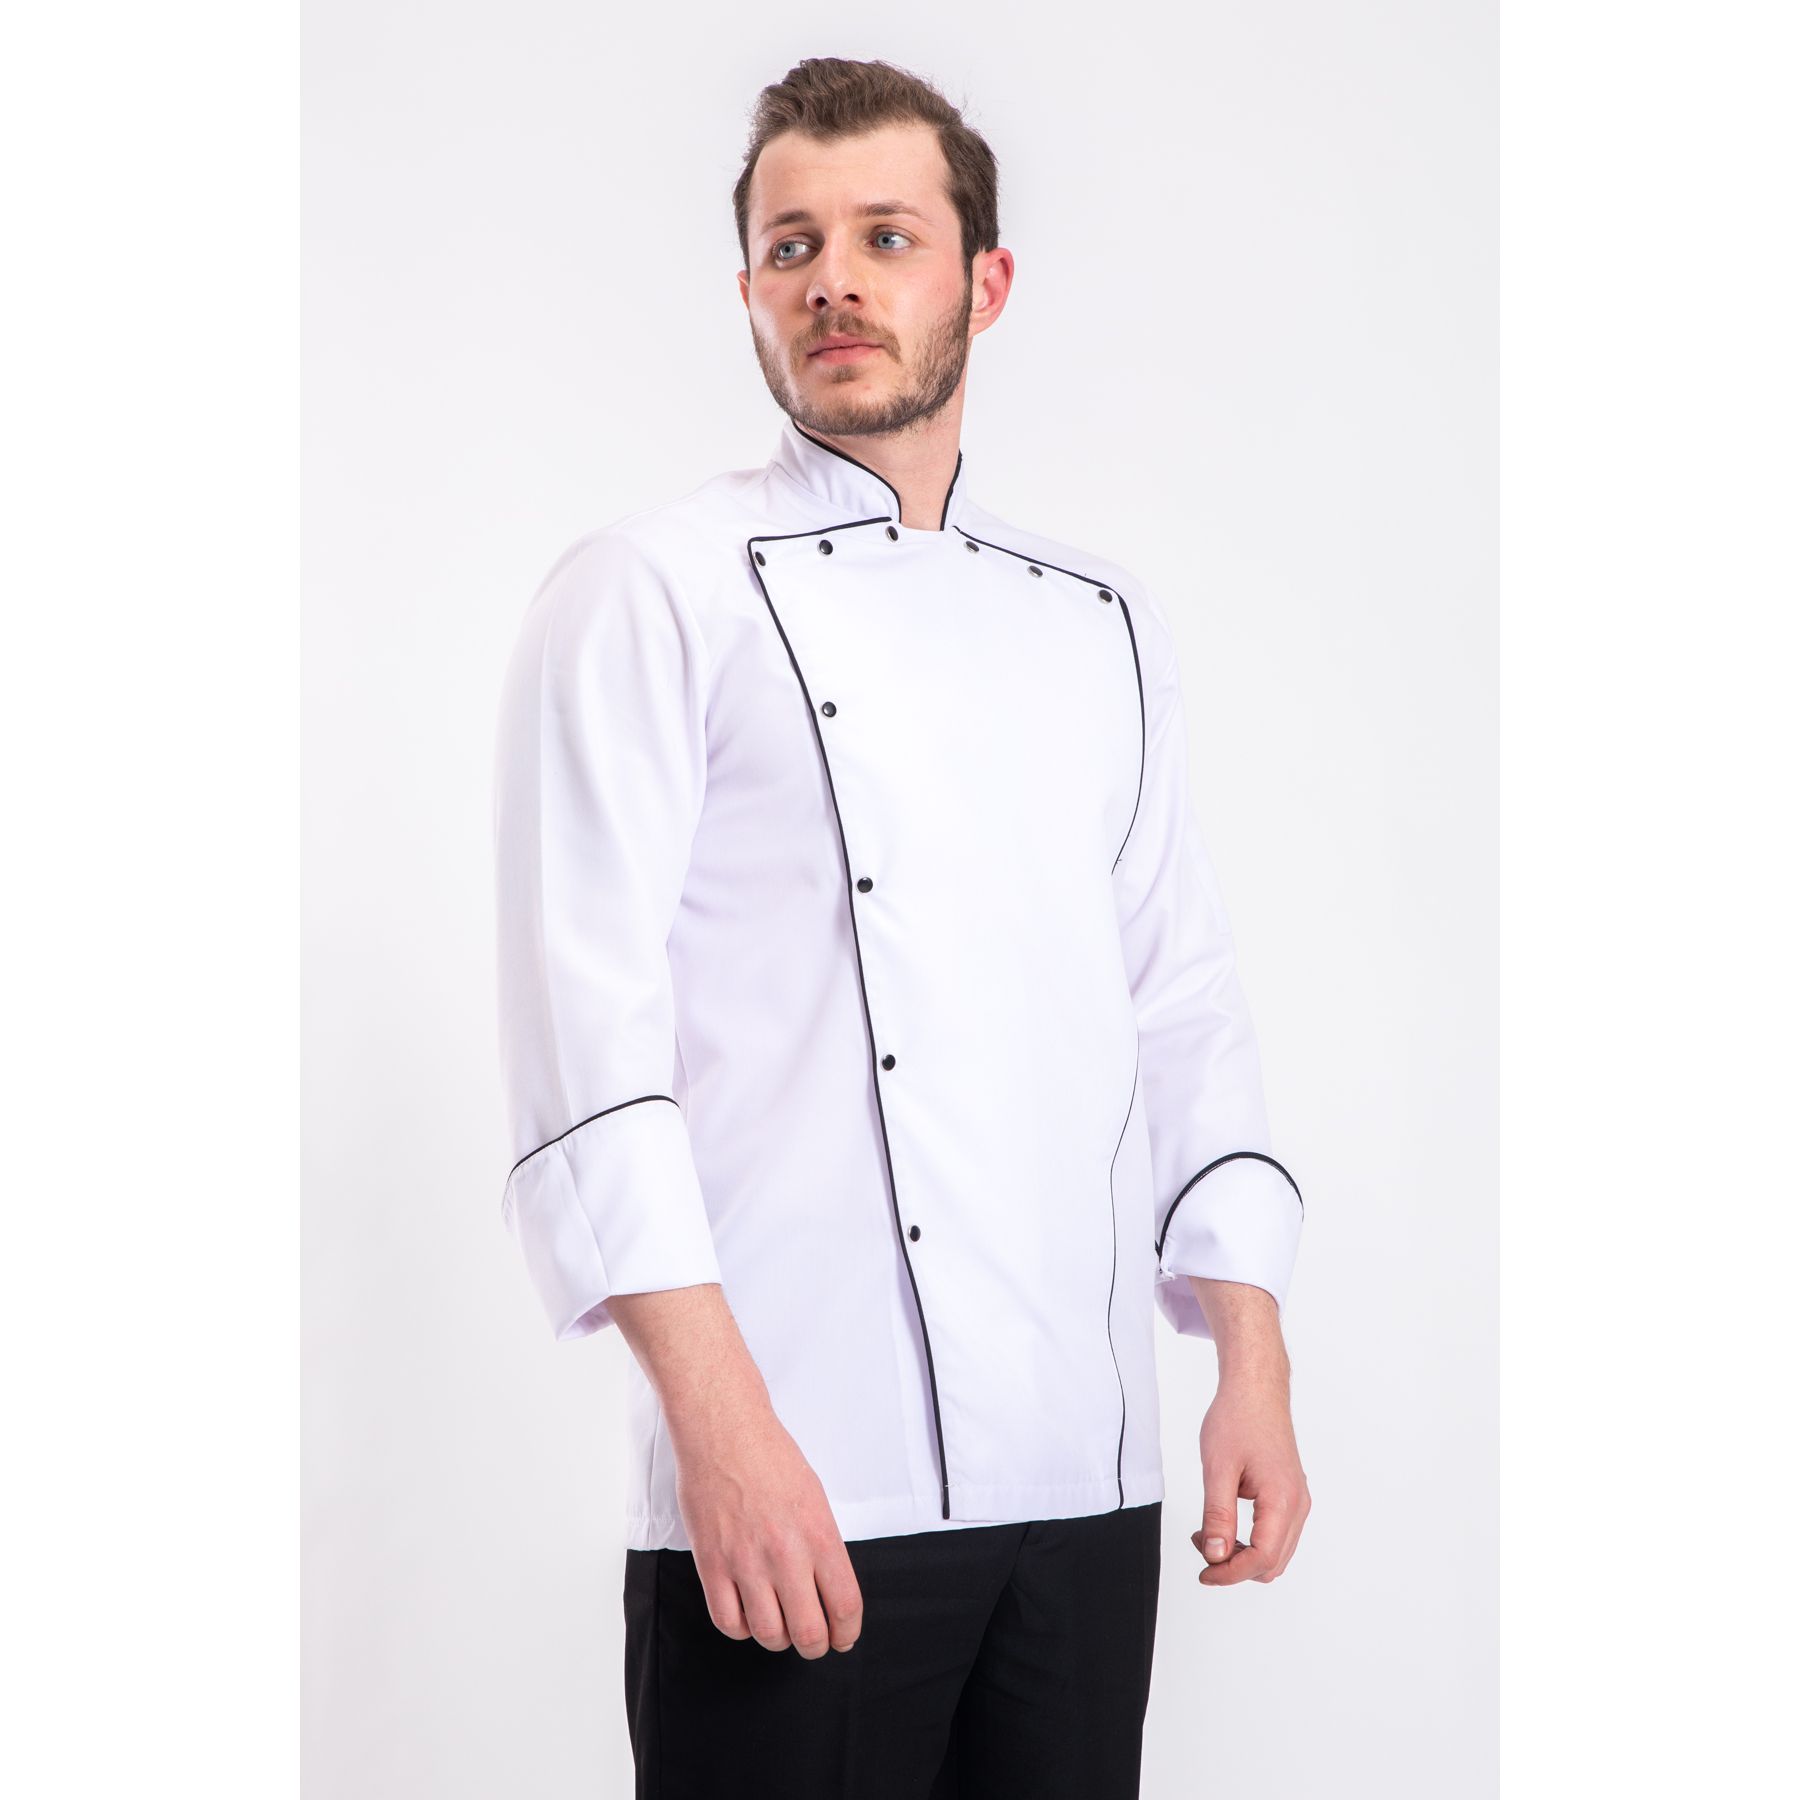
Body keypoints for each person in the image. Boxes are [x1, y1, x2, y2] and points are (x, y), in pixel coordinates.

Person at [492, 54, 1310, 1800]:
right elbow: (589, 1051)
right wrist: (721, 1438)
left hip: (1083, 1483)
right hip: (799, 1484)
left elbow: (1179, 1000)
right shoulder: (650, 593)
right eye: (793, 246)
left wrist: (1248, 1351)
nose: (834, 283)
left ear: (982, 283)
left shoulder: (1100, 619)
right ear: (748, 290)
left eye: (885, 236)